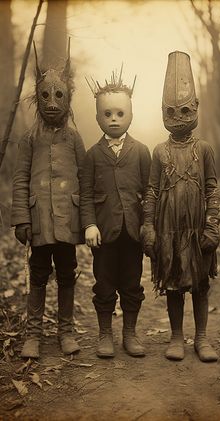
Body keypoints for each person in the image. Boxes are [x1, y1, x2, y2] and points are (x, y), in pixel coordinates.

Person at [141, 51, 220, 362]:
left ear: (196, 108)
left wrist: (212, 225)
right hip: (168, 231)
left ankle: (201, 338)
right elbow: (150, 190)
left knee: (200, 283)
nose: (178, 118)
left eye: (184, 110)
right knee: (173, 283)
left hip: (199, 230)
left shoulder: (205, 149)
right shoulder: (159, 151)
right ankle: (176, 337)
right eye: (170, 112)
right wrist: (148, 226)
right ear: (162, 113)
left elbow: (213, 189)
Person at [11, 41, 86, 358]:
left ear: (68, 98)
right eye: (45, 95)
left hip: (67, 222)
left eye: (59, 95)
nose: (52, 102)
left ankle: (66, 333)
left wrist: (86, 220)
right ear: (36, 97)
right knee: (38, 274)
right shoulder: (30, 139)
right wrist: (21, 218)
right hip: (39, 221)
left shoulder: (74, 138)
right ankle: (34, 335)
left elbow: (85, 179)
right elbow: (20, 178)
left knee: (67, 273)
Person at [80, 68, 151, 358]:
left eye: (120, 114)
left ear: (131, 116)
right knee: (105, 284)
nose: (113, 120)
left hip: (133, 232)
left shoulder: (141, 151)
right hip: (105, 234)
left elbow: (150, 192)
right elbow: (85, 194)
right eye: (107, 114)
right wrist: (89, 225)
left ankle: (130, 334)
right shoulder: (93, 155)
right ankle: (105, 334)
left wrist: (148, 224)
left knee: (132, 284)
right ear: (98, 118)